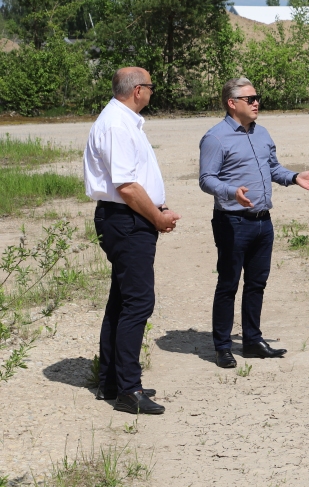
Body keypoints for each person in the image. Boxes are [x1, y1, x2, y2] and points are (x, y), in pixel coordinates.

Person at [199, 78, 309, 368]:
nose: (257, 103)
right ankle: (222, 346)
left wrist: (294, 177)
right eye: (250, 98)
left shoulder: (262, 133)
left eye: (258, 97)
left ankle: (253, 341)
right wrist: (231, 192)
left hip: (262, 222)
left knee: (257, 284)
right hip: (232, 221)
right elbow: (206, 180)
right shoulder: (215, 138)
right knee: (228, 284)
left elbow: (273, 168)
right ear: (232, 103)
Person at [85, 67, 181, 415]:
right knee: (138, 303)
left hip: (129, 218)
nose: (153, 93)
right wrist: (156, 217)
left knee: (122, 299)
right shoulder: (116, 124)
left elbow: (133, 181)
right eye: (151, 87)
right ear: (138, 90)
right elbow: (125, 186)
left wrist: (157, 205)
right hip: (126, 221)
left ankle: (112, 380)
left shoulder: (124, 121)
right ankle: (128, 389)